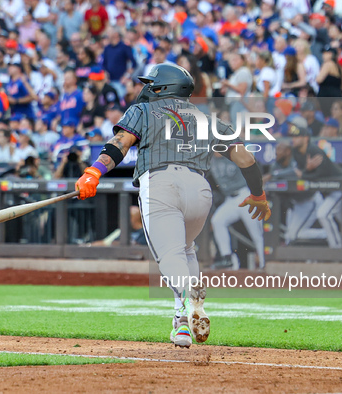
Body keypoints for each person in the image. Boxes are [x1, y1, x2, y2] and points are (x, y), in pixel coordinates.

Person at [74, 64, 271, 348]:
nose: (147, 88)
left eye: (152, 83)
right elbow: (246, 159)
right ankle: (182, 322)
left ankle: (191, 293)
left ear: (164, 86)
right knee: (185, 249)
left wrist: (93, 172)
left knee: (169, 256)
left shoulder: (142, 111)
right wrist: (259, 195)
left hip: (160, 184)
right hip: (199, 190)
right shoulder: (207, 118)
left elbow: (120, 143)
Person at [289, 125, 342, 250]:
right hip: (332, 190)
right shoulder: (296, 152)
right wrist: (307, 171)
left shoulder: (314, 150)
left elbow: (320, 174)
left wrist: (306, 172)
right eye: (292, 136)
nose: (293, 139)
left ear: (306, 138)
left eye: (297, 136)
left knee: (323, 214)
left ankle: (337, 249)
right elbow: (303, 174)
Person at [263, 141, 326, 245]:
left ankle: (327, 234)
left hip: (310, 200)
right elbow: (273, 181)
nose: (276, 153)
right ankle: (293, 260)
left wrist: (273, 175)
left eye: (279, 150)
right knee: (289, 237)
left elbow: (295, 173)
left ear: (288, 151)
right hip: (295, 203)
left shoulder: (297, 160)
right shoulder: (275, 166)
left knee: (293, 235)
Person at [209, 153, 265, 270]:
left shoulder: (232, 154)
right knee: (217, 221)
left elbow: (252, 165)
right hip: (230, 199)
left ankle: (264, 263)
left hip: (245, 194)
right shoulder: (210, 159)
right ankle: (227, 258)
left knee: (256, 234)